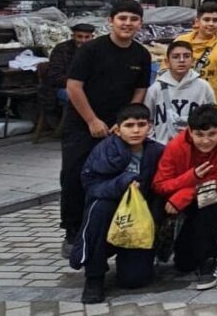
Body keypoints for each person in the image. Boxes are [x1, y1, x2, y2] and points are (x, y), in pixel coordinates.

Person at [60, 0, 152, 260]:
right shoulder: (91, 50)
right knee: (74, 175)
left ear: (140, 24)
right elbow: (74, 87)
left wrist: (125, 122)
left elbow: (140, 90)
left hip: (117, 128)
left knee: (116, 176)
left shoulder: (141, 54)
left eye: (133, 19)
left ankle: (110, 229)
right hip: (82, 124)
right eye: (122, 18)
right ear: (111, 21)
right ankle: (72, 231)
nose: (127, 23)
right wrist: (92, 120)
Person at [73, 103, 163, 304]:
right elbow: (92, 186)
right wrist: (123, 183)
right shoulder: (105, 150)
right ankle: (94, 276)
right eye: (129, 125)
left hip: (139, 218)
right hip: (109, 212)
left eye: (141, 124)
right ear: (118, 129)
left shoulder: (156, 151)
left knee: (134, 280)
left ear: (150, 126)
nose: (136, 130)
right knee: (98, 208)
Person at [152, 104, 217, 291]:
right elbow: (159, 185)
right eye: (199, 135)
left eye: (212, 134)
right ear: (189, 131)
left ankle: (208, 260)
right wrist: (191, 177)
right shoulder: (175, 146)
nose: (206, 141)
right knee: (184, 264)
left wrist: (185, 194)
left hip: (203, 196)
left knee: (211, 198)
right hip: (174, 200)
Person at [146, 40, 217, 145]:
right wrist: (154, 143)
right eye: (176, 57)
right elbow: (147, 120)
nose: (182, 60)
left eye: (186, 56)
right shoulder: (155, 88)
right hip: (162, 146)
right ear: (167, 62)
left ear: (193, 61)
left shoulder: (204, 87)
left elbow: (213, 118)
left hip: (194, 147)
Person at [174, 1, 217, 119]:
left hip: (210, 109)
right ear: (197, 21)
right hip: (180, 105)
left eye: (215, 20)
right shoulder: (181, 41)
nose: (211, 24)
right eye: (206, 20)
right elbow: (166, 71)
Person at [40, 22, 94, 117]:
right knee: (83, 98)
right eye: (79, 37)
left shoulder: (96, 49)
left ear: (92, 37)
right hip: (62, 87)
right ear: (73, 36)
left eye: (87, 37)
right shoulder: (61, 50)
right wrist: (79, 84)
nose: (83, 40)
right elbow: (55, 77)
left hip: (89, 87)